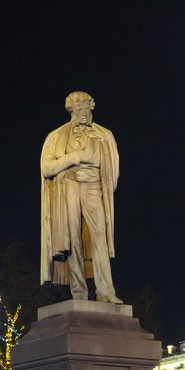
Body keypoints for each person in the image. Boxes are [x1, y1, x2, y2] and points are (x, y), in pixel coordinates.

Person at [40, 90, 122, 304]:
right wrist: (72, 158)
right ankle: (79, 292)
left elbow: (113, 171)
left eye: (87, 107)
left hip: (94, 184)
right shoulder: (56, 136)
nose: (83, 112)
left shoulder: (104, 134)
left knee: (100, 234)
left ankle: (106, 291)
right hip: (69, 185)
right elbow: (46, 168)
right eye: (79, 108)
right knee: (73, 237)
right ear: (70, 110)